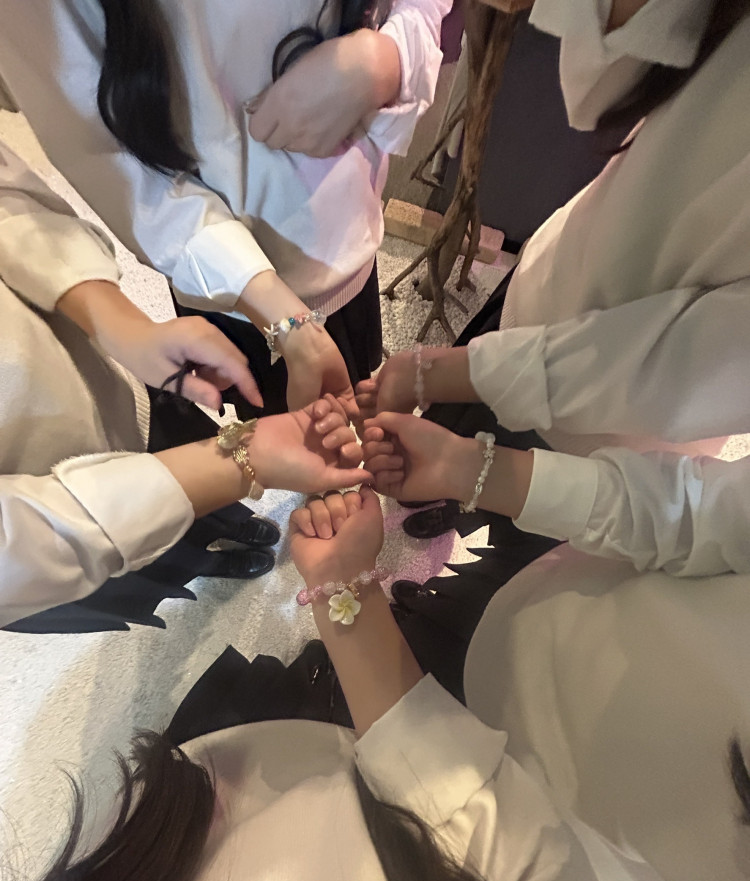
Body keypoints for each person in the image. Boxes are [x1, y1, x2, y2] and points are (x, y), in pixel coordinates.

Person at [1, 488, 745, 881]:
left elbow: (491, 835)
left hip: (259, 779)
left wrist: (343, 586)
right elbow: (493, 838)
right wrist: (343, 586)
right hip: (338, 757)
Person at [357, 0, 750, 578]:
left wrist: (451, 417)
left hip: (623, 434)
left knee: (519, 546)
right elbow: (597, 91)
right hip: (549, 287)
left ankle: (459, 506)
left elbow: (680, 369)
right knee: (443, 442)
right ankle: (445, 496)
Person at [0, 0, 451, 418]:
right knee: (283, 421)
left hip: (351, 232)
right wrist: (285, 319)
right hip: (225, 278)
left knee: (345, 393)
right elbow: (110, 159)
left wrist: (392, 57)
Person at [0, 140, 368, 628]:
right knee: (146, 560)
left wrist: (116, 321)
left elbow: (11, 198)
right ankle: (206, 563)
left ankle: (226, 528)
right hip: (48, 553)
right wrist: (244, 458)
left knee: (197, 476)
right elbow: (28, 552)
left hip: (95, 378)